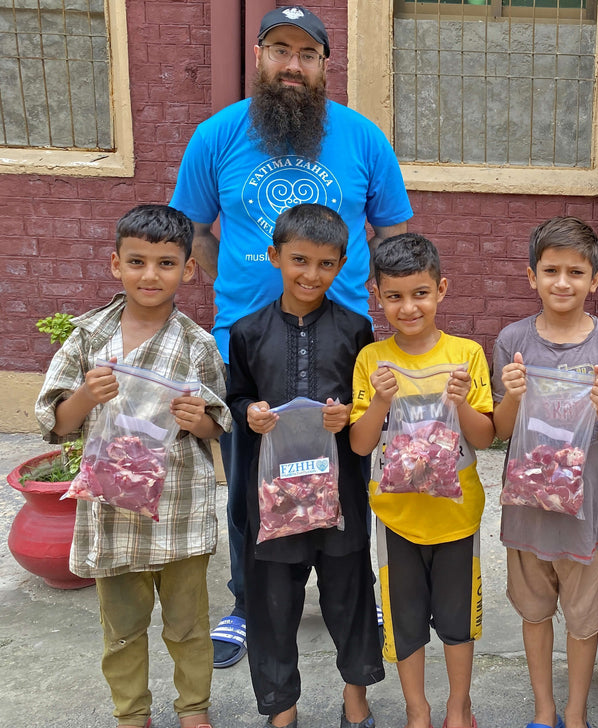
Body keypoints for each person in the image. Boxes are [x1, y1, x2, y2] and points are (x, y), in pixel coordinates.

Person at [169, 4, 413, 667]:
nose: (292, 65)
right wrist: (245, 289)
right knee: (252, 477)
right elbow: (192, 227)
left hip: (345, 342)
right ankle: (249, 602)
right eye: (280, 49)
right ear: (258, 56)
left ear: (324, 67)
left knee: (348, 468)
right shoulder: (215, 136)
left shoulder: (363, 139)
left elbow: (392, 231)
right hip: (249, 342)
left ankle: (350, 591)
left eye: (307, 54)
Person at [35, 204, 231, 728]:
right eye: (138, 261)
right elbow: (55, 421)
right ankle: (131, 713)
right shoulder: (88, 337)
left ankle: (194, 709)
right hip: (110, 508)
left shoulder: (197, 344)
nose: (151, 275)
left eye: (166, 263)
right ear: (115, 264)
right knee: (121, 627)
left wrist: (198, 420)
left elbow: (216, 423)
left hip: (178, 510)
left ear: (188, 270)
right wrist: (83, 396)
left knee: (189, 625)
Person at [226, 204, 382, 728]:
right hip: (271, 495)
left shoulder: (355, 329)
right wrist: (249, 413)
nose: (311, 274)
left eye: (325, 264)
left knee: (350, 594)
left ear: (341, 265)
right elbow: (235, 396)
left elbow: (371, 406)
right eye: (299, 260)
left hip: (340, 493)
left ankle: (355, 699)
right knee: (272, 605)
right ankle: (281, 709)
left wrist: (350, 415)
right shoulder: (247, 331)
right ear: (274, 257)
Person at [492, 216, 598, 728]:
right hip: (529, 506)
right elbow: (499, 431)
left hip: (587, 510)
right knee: (534, 613)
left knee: (582, 620)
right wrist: (511, 393)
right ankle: (544, 711)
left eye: (576, 272)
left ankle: (574, 714)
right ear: (531, 276)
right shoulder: (513, 340)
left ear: (595, 280)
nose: (562, 282)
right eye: (550, 270)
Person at [348, 233, 494, 728]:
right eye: (394, 296)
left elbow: (487, 436)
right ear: (378, 296)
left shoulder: (467, 354)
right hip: (397, 520)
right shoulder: (372, 361)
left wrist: (461, 403)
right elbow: (361, 444)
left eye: (420, 293)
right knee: (405, 624)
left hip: (457, 516)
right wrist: (381, 402)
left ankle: (459, 706)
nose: (408, 307)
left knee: (458, 623)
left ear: (442, 290)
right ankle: (418, 710)